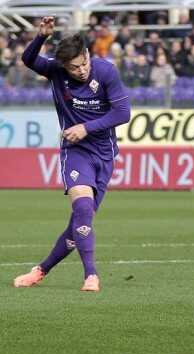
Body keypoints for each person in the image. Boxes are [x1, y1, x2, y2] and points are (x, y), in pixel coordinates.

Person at [13, 17, 131, 292]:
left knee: (80, 225)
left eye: (83, 63)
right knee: (81, 208)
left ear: (88, 54)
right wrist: (41, 36)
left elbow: (123, 113)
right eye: (74, 67)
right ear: (63, 66)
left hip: (104, 154)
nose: (81, 70)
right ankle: (91, 275)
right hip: (75, 152)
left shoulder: (106, 72)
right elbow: (29, 59)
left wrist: (87, 128)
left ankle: (40, 270)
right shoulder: (56, 71)